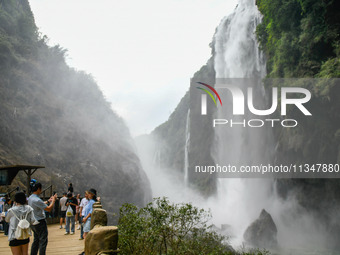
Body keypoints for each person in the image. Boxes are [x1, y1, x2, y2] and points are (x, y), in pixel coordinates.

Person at [28, 182, 57, 255]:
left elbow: (39, 204)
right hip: (40, 222)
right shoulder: (37, 200)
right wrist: (53, 201)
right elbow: (49, 209)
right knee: (43, 241)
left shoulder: (31, 198)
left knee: (36, 240)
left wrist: (48, 201)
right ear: (38, 189)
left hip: (33, 222)